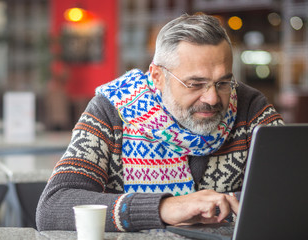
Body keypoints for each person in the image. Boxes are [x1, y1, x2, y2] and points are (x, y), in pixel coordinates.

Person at [36, 13, 284, 232]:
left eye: (223, 83)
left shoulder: (250, 106)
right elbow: (53, 205)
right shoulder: (111, 110)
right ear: (157, 77)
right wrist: (164, 207)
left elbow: (297, 188)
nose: (212, 98)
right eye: (195, 84)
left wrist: (216, 204)